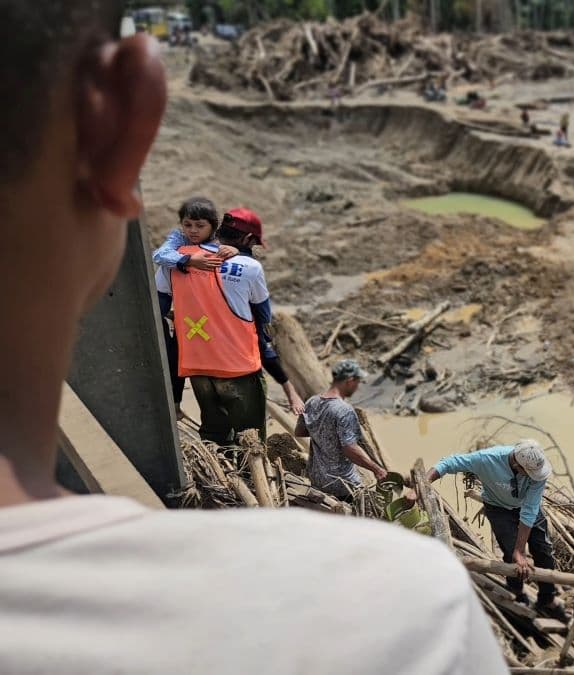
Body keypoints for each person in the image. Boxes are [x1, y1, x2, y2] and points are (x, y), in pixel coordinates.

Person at [0, 5, 505, 671]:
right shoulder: (404, 618)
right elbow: (270, 338)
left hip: (218, 374)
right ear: (123, 123)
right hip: (252, 390)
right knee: (234, 427)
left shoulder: (176, 264)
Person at [153, 199, 305, 418]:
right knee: (249, 431)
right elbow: (263, 317)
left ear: (216, 228)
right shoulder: (250, 267)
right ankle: (290, 392)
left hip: (196, 363)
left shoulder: (178, 259)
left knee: (214, 431)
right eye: (189, 225)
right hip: (238, 366)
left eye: (199, 226)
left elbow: (160, 300)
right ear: (248, 239)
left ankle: (175, 405)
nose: (193, 230)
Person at [428, 440, 570, 621]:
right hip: (498, 507)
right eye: (529, 473)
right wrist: (422, 484)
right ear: (517, 465)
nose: (534, 476)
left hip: (526, 506)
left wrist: (522, 550)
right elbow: (448, 463)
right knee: (511, 554)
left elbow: (530, 510)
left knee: (544, 551)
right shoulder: (487, 459)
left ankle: (547, 599)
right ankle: (517, 593)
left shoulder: (538, 473)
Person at [296, 360, 388, 499]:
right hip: (342, 483)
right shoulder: (344, 410)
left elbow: (300, 432)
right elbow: (349, 449)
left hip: (317, 479)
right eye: (357, 382)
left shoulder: (312, 402)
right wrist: (377, 469)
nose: (357, 387)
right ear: (350, 381)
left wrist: (324, 433)